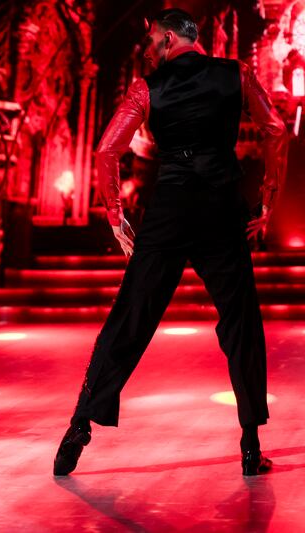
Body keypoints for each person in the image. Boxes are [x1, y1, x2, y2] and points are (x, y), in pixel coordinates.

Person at [53, 9, 288, 476]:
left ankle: (78, 429)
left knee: (130, 317)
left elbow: (106, 150)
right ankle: (248, 445)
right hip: (222, 208)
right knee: (240, 322)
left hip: (171, 210)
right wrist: (267, 201)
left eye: (150, 41)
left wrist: (116, 217)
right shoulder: (235, 75)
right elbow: (276, 130)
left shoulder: (147, 87)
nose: (146, 49)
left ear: (167, 37)